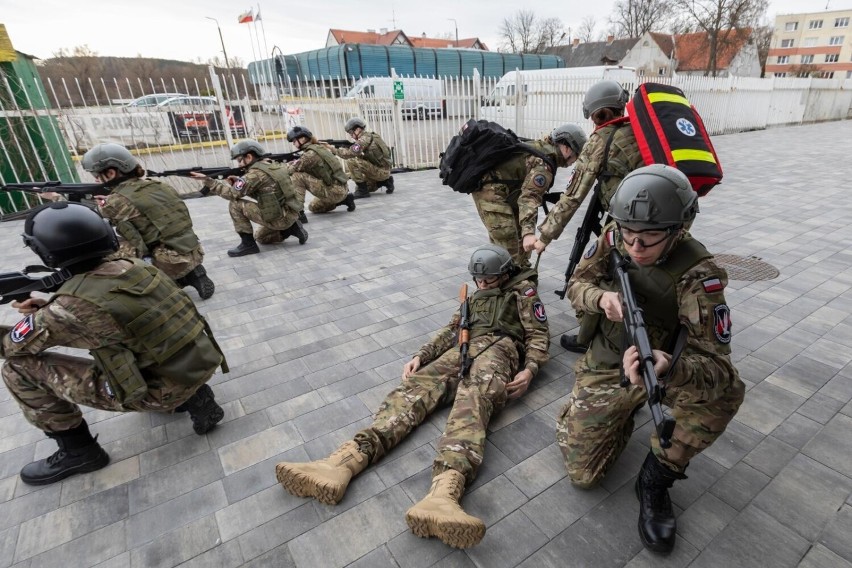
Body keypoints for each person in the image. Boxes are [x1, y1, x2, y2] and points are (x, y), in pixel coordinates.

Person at [275, 244, 550, 548]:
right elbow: (451, 330)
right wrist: (421, 356)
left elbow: (537, 334)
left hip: (500, 349)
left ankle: (444, 496)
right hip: (462, 346)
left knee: (473, 400)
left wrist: (531, 368)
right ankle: (342, 462)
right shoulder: (472, 297)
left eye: (490, 280)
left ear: (506, 272)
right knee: (413, 389)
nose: (483, 285)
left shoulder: (522, 293)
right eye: (479, 280)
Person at [555, 165, 745, 554]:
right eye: (630, 235)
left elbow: (718, 367)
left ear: (679, 228)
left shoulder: (698, 275)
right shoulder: (614, 233)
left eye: (651, 236)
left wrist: (669, 368)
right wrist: (601, 298)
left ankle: (656, 479)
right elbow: (576, 283)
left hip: (663, 367)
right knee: (582, 474)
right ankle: (615, 411)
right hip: (607, 360)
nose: (636, 247)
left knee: (724, 395)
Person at [0, 202, 229, 485]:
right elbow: (109, 313)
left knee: (17, 369)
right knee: (147, 339)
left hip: (159, 389)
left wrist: (45, 316)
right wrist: (48, 310)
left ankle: (79, 451)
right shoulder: (138, 267)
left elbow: (10, 346)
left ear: (44, 252)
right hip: (198, 363)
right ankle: (194, 396)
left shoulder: (69, 308)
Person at [526, 80, 646, 353]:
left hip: (625, 224)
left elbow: (573, 196)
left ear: (596, 114)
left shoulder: (603, 139)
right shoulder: (641, 133)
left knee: (585, 276)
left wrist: (544, 235)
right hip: (662, 222)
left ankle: (590, 338)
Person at [80, 143, 215, 299]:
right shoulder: (160, 186)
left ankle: (161, 283)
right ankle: (191, 272)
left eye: (96, 176)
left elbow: (89, 217)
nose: (96, 181)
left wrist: (57, 198)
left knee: (105, 252)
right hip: (193, 249)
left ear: (110, 173)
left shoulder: (116, 201)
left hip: (168, 259)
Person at [472, 123, 587, 269]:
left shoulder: (542, 150)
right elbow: (529, 198)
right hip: (490, 192)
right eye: (576, 154)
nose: (574, 161)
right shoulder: (544, 165)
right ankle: (507, 281)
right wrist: (528, 233)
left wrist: (525, 232)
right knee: (509, 244)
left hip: (502, 191)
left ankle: (521, 270)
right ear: (566, 147)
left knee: (517, 240)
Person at [191, 139, 308, 257]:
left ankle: (248, 245)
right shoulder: (274, 165)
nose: (239, 164)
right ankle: (291, 228)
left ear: (249, 157)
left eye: (239, 160)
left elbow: (231, 194)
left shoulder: (254, 174)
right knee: (261, 237)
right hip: (292, 213)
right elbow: (266, 192)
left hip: (279, 218)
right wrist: (236, 183)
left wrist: (209, 181)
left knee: (235, 204)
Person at [286, 126, 356, 214]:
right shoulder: (319, 147)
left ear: (303, 139)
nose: (293, 143)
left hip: (334, 191)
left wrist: (285, 165)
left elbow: (290, 171)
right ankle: (344, 200)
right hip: (342, 189)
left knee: (296, 176)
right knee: (313, 207)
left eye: (294, 141)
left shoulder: (310, 154)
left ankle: (298, 213)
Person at [325, 117, 394, 198]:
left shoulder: (364, 140)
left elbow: (349, 154)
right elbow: (368, 156)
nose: (351, 135)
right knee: (368, 186)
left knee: (351, 161)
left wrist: (331, 148)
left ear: (358, 130)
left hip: (381, 171)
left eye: (351, 132)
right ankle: (386, 182)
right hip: (384, 170)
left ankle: (363, 191)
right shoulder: (371, 136)